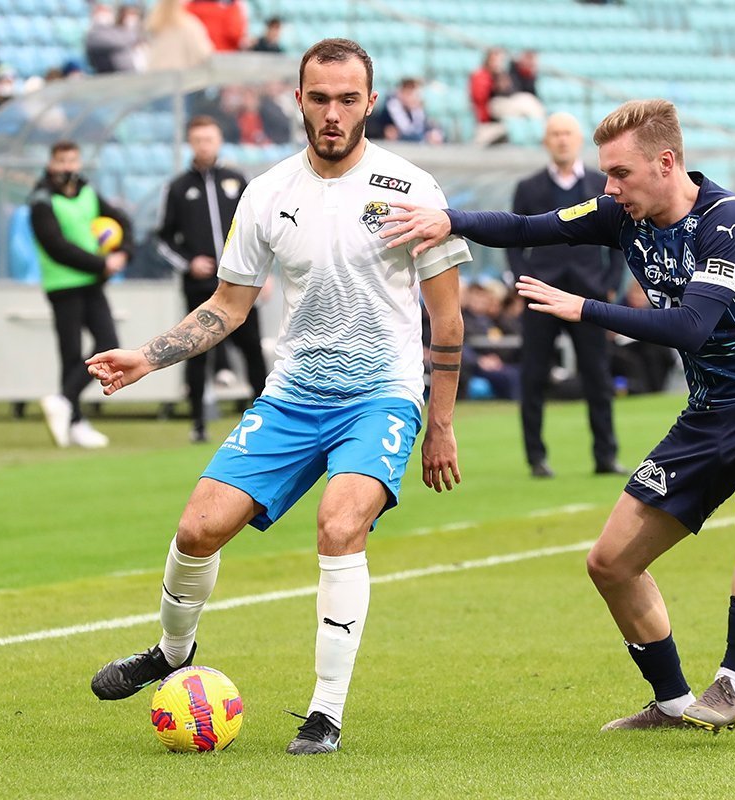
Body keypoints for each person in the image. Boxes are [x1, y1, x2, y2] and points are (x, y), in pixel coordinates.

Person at [381, 98, 735, 734]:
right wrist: (448, 219)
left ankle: (732, 684)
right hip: (707, 414)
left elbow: (693, 326)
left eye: (621, 173)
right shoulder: (619, 214)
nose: (609, 187)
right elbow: (528, 226)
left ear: (666, 163)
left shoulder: (727, 220)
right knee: (610, 563)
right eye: (606, 174)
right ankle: (673, 703)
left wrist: (584, 308)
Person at [86, 39, 471, 756]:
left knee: (339, 525)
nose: (333, 113)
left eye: (347, 99)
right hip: (292, 396)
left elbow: (446, 320)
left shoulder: (413, 189)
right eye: (319, 98)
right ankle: (172, 652)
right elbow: (228, 306)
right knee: (197, 530)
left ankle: (324, 713)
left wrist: (440, 423)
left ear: (370, 102)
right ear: (297, 100)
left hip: (380, 396)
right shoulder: (266, 193)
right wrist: (147, 356)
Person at [508, 112, 625, 478]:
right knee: (533, 376)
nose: (561, 139)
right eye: (555, 134)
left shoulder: (600, 184)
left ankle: (605, 456)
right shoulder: (528, 188)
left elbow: (620, 237)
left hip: (589, 294)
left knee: (598, 376)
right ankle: (535, 458)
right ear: (546, 141)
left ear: (578, 140)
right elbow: (513, 239)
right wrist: (523, 280)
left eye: (567, 133)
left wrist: (610, 283)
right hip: (541, 293)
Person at [156, 115, 269, 442]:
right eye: (198, 140)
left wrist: (265, 272)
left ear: (219, 141)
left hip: (241, 285)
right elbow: (163, 239)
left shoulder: (237, 180)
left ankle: (265, 421)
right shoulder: (178, 187)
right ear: (190, 144)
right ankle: (198, 422)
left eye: (209, 139)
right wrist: (189, 262)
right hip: (200, 288)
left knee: (252, 350)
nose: (204, 145)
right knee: (195, 350)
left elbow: (258, 230)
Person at [29, 140, 134, 449]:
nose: (68, 167)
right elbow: (56, 246)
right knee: (71, 352)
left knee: (108, 343)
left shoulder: (87, 192)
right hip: (63, 285)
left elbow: (122, 221)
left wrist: (123, 253)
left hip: (92, 283)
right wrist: (101, 264)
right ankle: (74, 419)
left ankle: (64, 402)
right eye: (62, 161)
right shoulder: (41, 200)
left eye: (72, 160)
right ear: (51, 164)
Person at [142, 0, 213, 72]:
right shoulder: (189, 25)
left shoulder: (153, 24)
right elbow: (203, 53)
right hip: (181, 75)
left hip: (156, 75)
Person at [371, 77, 443, 144]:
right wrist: (425, 137)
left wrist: (432, 133)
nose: (414, 98)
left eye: (416, 94)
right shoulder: (391, 108)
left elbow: (422, 127)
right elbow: (407, 131)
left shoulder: (416, 109)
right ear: (401, 93)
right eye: (410, 93)